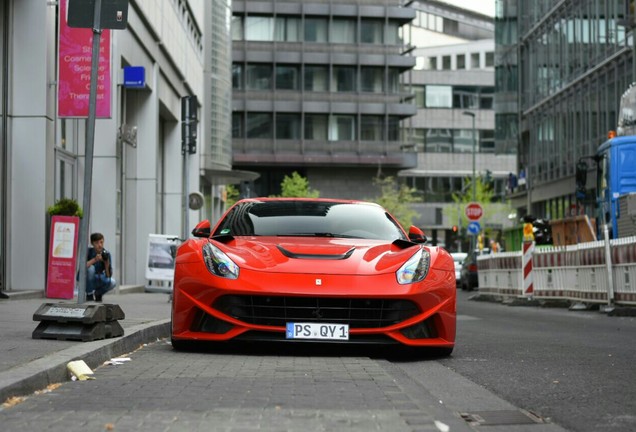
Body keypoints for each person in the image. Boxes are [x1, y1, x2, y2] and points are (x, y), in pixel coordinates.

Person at [85, 232, 116, 302]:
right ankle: (89, 294)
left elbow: (108, 276)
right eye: (97, 243)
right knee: (91, 269)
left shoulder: (106, 254)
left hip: (99, 279)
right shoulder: (88, 252)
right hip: (87, 280)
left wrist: (106, 263)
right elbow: (82, 267)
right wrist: (95, 260)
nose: (100, 245)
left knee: (113, 282)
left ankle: (98, 294)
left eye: (101, 242)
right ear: (92, 243)